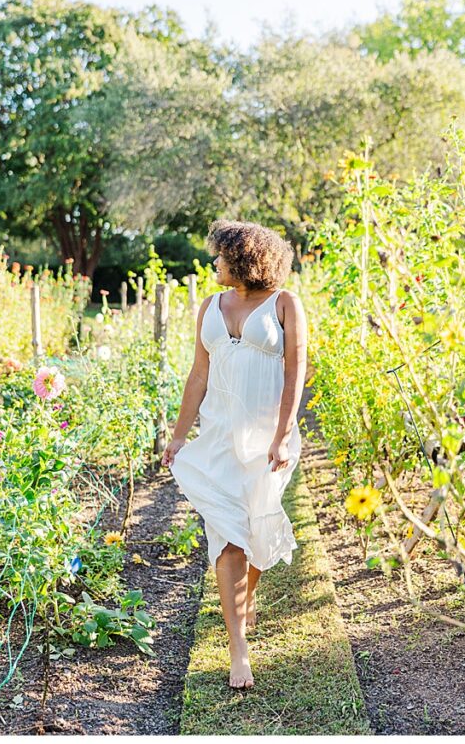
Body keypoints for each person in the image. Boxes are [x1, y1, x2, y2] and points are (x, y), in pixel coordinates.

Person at [161, 220, 307, 689]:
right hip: (220, 438)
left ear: (243, 258)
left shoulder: (285, 304)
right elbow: (198, 377)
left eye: (220, 256)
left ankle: (247, 602)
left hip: (267, 439)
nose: (214, 263)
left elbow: (295, 375)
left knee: (258, 531)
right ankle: (237, 645)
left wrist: (282, 436)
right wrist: (179, 435)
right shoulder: (209, 306)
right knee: (228, 536)